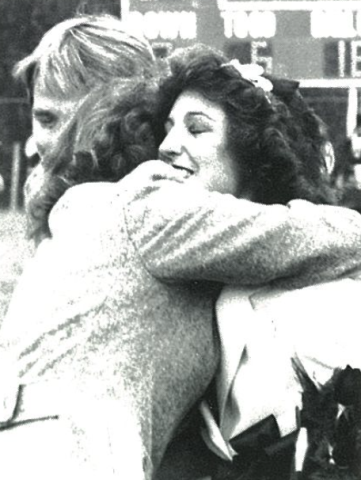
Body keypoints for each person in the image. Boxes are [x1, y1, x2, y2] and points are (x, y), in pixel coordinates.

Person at [153, 45, 361, 478]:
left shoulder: (328, 298)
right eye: (169, 128)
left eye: (197, 129)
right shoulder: (184, 270)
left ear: (252, 155)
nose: (168, 146)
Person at [12, 12, 158, 244]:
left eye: (88, 121)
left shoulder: (159, 202)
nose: (60, 142)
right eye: (46, 120)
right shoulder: (40, 186)